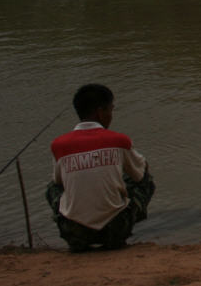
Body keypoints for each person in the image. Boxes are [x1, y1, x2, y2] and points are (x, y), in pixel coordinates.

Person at [46, 84, 155, 252]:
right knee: (143, 178)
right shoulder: (119, 141)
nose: (111, 115)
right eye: (110, 110)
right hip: (115, 230)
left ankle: (76, 234)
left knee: (52, 186)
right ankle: (122, 229)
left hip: (75, 233)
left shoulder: (58, 145)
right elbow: (140, 176)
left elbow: (58, 183)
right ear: (100, 112)